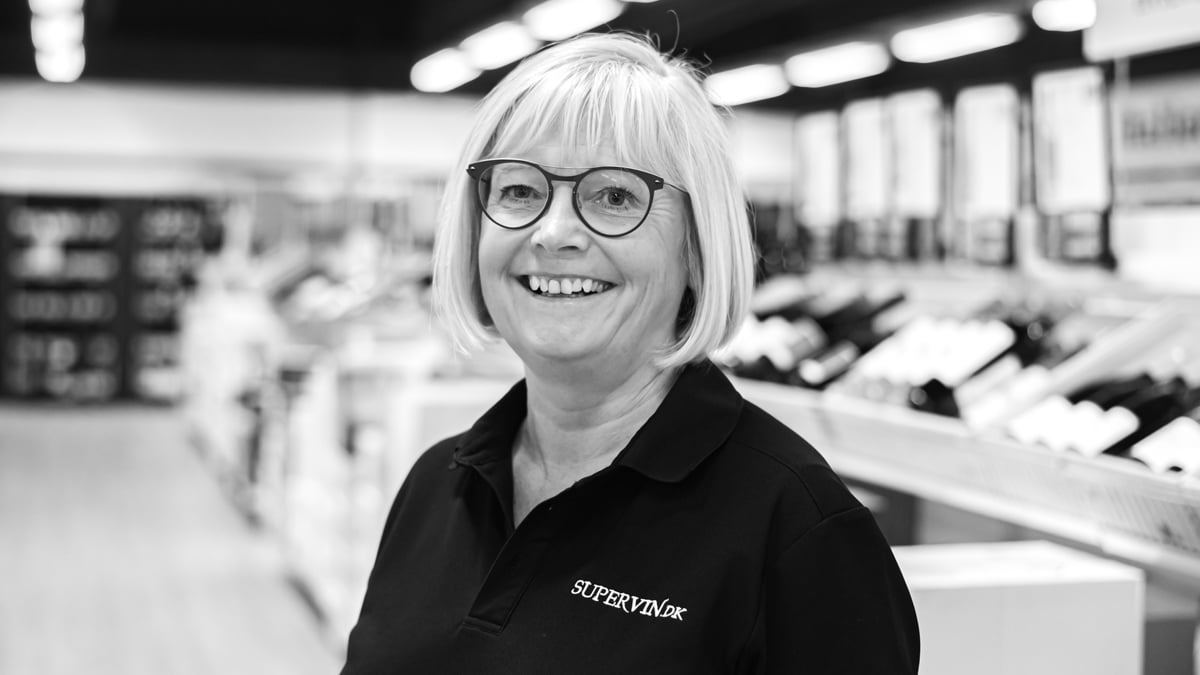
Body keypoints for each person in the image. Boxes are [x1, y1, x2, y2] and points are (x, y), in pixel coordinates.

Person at [340, 32, 919, 674]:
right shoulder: (435, 486)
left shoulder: (798, 532)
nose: (554, 234)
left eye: (615, 196)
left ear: (696, 248)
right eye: (520, 191)